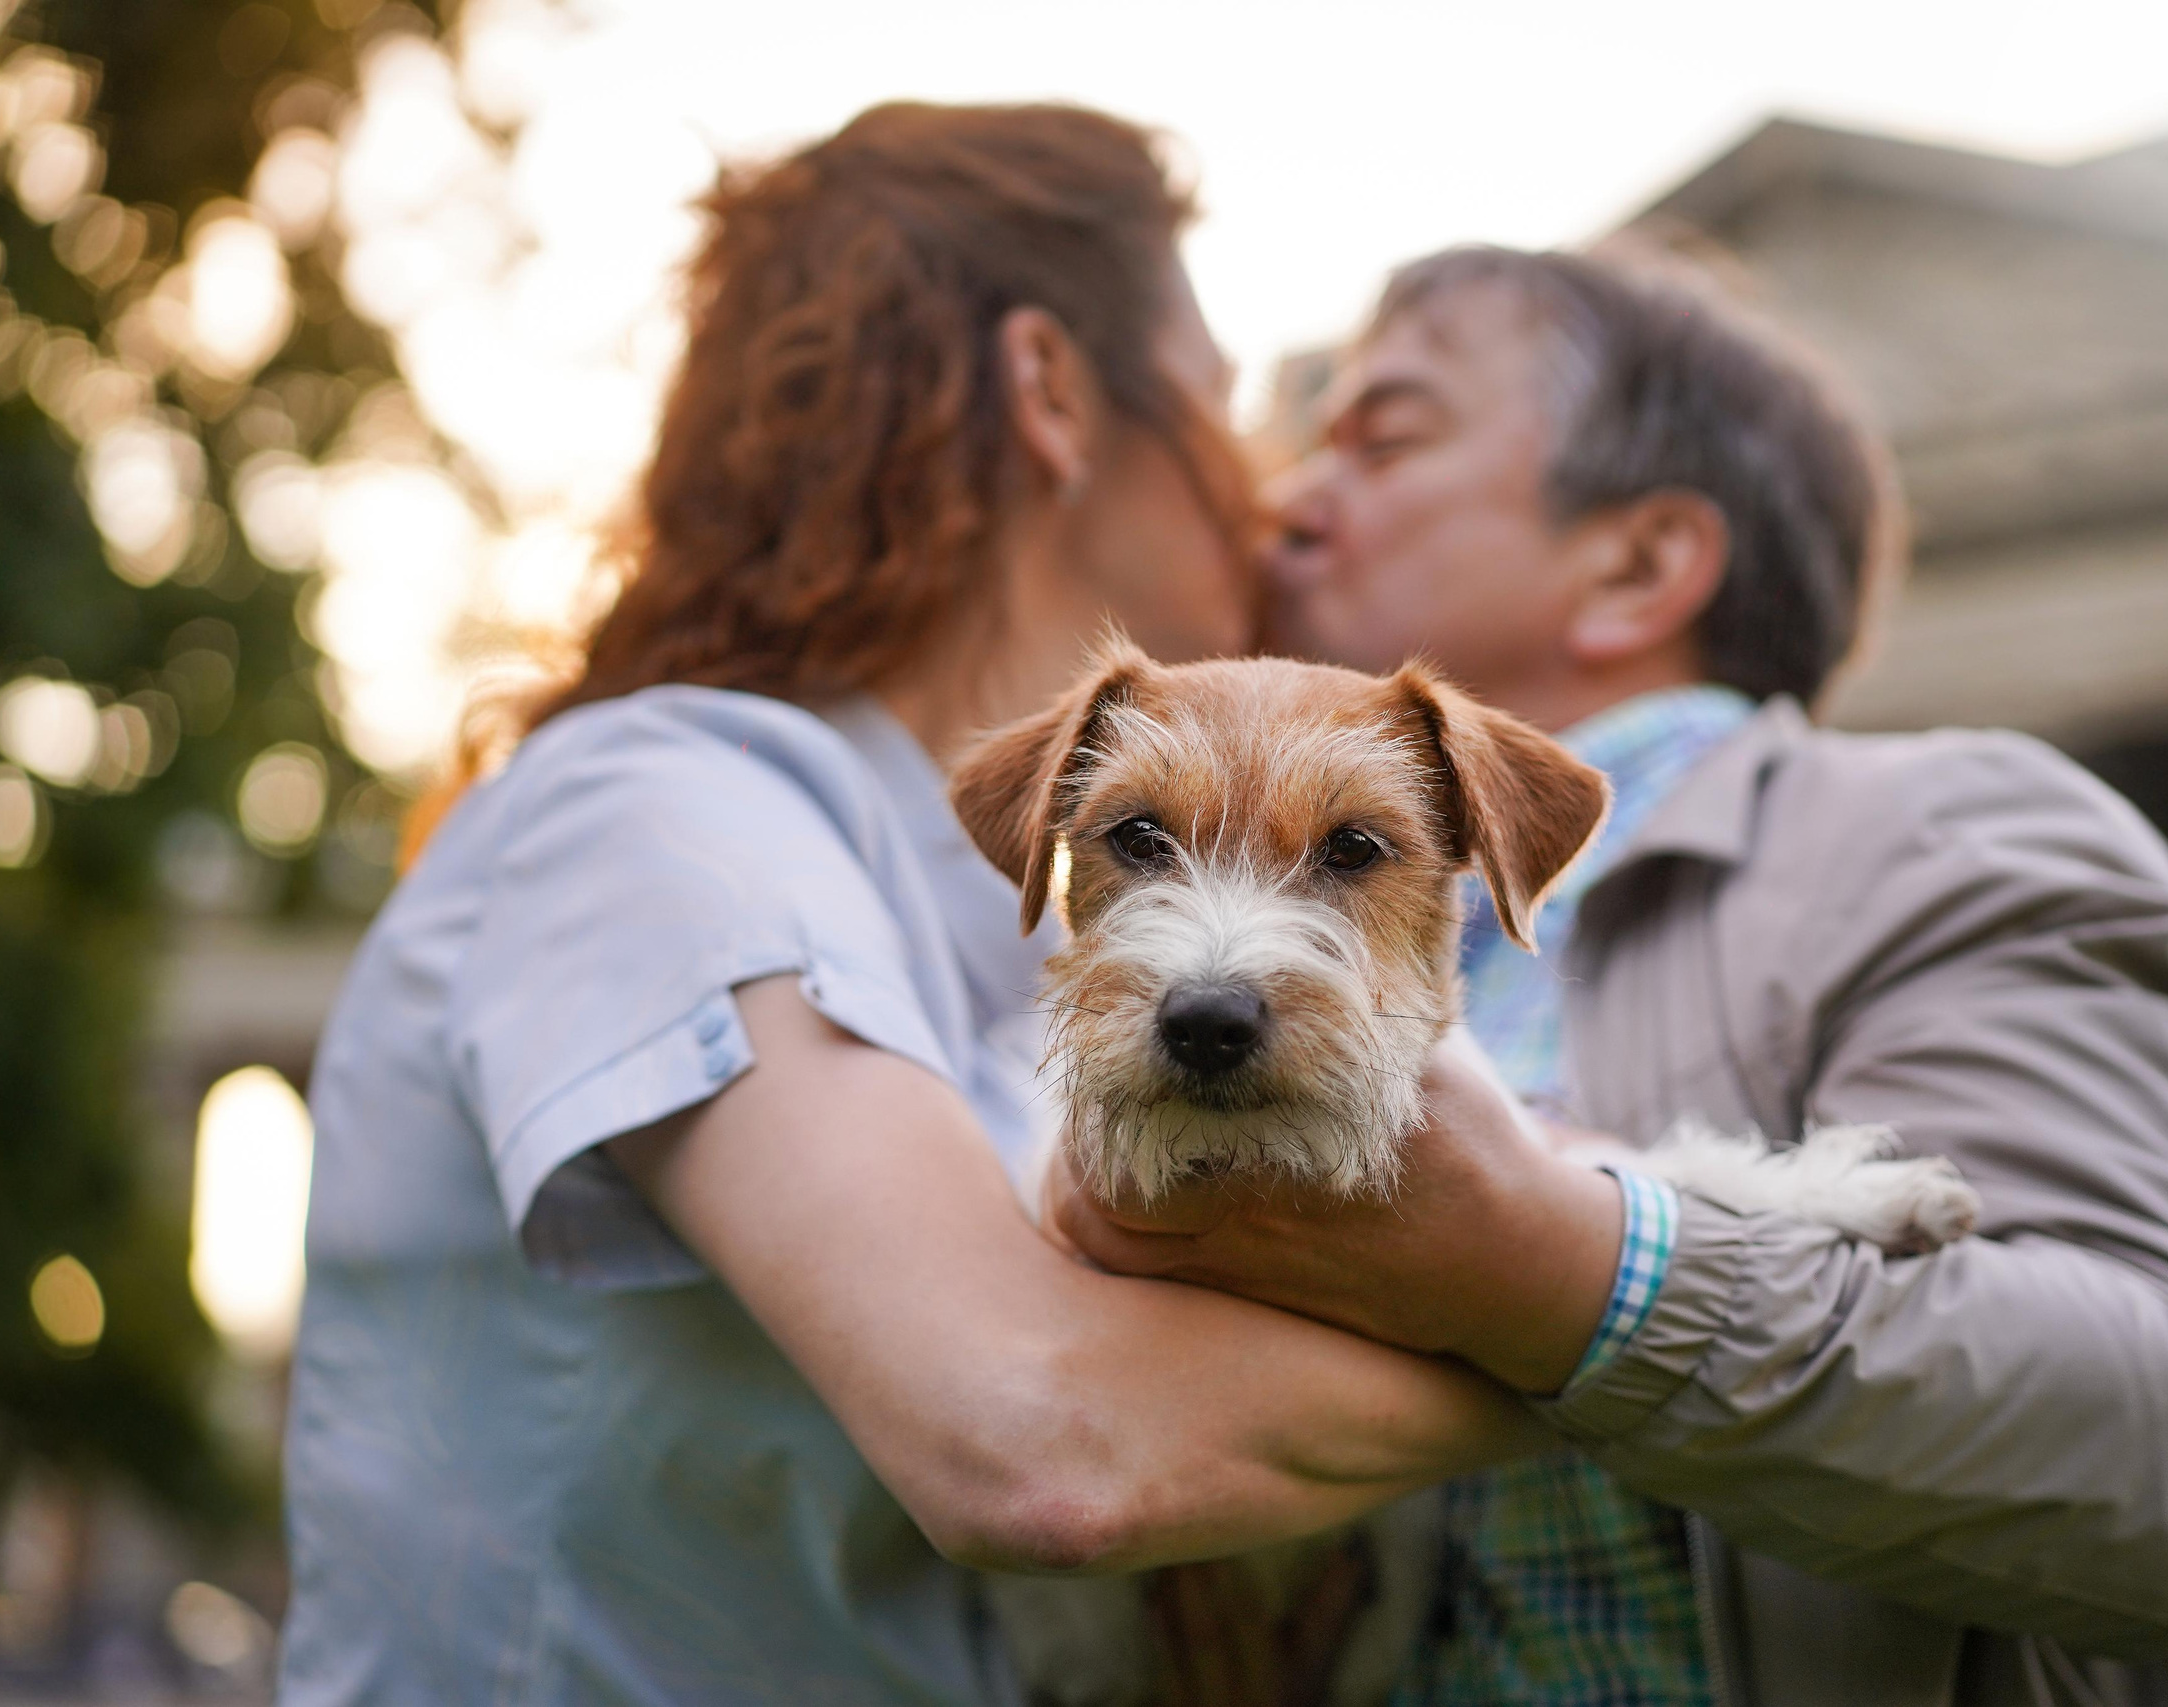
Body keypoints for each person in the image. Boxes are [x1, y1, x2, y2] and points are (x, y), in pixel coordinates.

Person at [275, 108, 1564, 1704]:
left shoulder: (958, 886)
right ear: (1052, 392)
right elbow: (1043, 1446)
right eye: (1227, 410)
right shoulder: (657, 818)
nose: (1276, 502)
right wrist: (1622, 1345)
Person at [1054, 246, 2168, 1707]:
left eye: (1386, 434)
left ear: (1640, 565)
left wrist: (1557, 1269)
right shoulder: (1165, 965)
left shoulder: (1946, 832)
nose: (1281, 495)